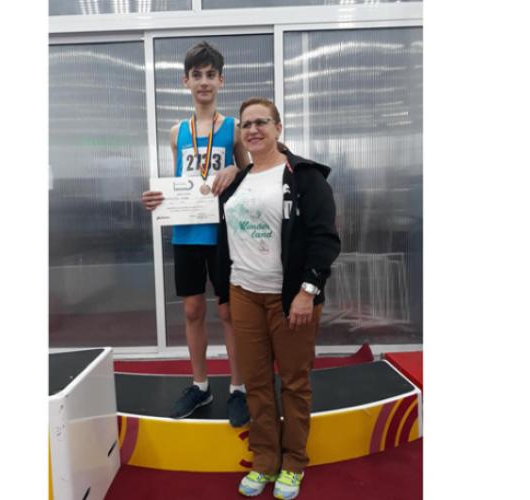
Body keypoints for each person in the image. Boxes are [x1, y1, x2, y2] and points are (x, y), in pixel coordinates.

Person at [216, 97, 341, 499]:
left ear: (278, 127)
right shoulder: (236, 181)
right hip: (243, 293)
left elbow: (325, 240)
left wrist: (308, 291)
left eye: (262, 122)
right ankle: (265, 460)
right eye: (246, 124)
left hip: (289, 298)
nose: (253, 130)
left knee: (294, 382)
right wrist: (223, 292)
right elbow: (222, 238)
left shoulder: (305, 177)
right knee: (255, 383)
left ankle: (294, 463)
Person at [141, 42, 251, 427]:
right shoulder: (177, 133)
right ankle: (200, 385)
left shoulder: (234, 129)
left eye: (210, 75)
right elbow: (180, 183)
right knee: (191, 309)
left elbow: (251, 175)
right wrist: (158, 198)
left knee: (228, 311)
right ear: (185, 81)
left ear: (221, 80)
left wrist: (235, 170)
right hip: (187, 232)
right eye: (197, 75)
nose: (204, 81)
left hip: (223, 233)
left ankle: (238, 388)